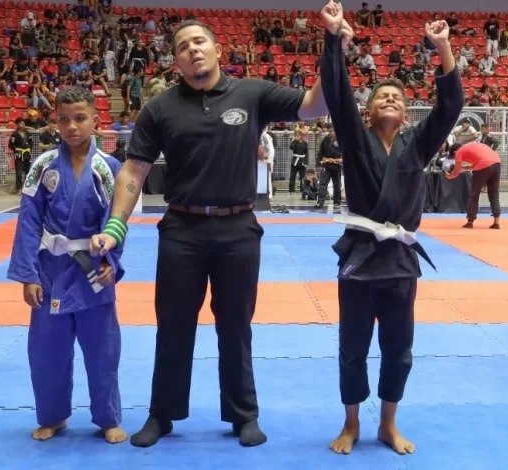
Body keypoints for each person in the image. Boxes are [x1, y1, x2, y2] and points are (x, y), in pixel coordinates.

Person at [89, 10, 330, 448]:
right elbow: (134, 171)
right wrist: (116, 224)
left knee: (235, 326)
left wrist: (332, 45)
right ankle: (162, 414)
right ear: (176, 62)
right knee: (173, 325)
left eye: (198, 42)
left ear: (218, 50)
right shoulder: (159, 109)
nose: (192, 50)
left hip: (238, 228)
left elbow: (316, 105)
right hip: (181, 230)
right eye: (182, 47)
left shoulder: (253, 93)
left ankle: (243, 415)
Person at [318, 7, 464, 456]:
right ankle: (350, 424)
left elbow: (451, 106)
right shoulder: (354, 137)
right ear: (368, 110)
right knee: (352, 347)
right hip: (361, 257)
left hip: (399, 260)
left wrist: (442, 46)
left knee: (399, 348)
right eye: (381, 96)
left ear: (405, 114)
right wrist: (333, 38)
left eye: (397, 98)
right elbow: (336, 91)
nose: (390, 99)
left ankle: (387, 424)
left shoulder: (417, 144)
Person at [6, 86, 128, 444]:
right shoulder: (42, 166)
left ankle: (107, 418)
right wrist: (28, 274)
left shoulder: (109, 167)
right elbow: (28, 221)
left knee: (103, 352)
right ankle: (52, 416)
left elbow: (117, 220)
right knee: (47, 352)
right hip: (52, 271)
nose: (72, 126)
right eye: (63, 119)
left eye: (80, 118)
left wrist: (112, 260)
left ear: (95, 120)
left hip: (92, 270)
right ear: (54, 121)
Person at [445, 142, 502, 229]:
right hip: (497, 162)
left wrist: (450, 176)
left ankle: (470, 221)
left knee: (474, 194)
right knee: (494, 193)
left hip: (484, 164)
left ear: (454, 152)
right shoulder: (471, 147)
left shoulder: (459, 152)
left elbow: (455, 173)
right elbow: (476, 165)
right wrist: (463, 168)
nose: (456, 159)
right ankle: (496, 222)